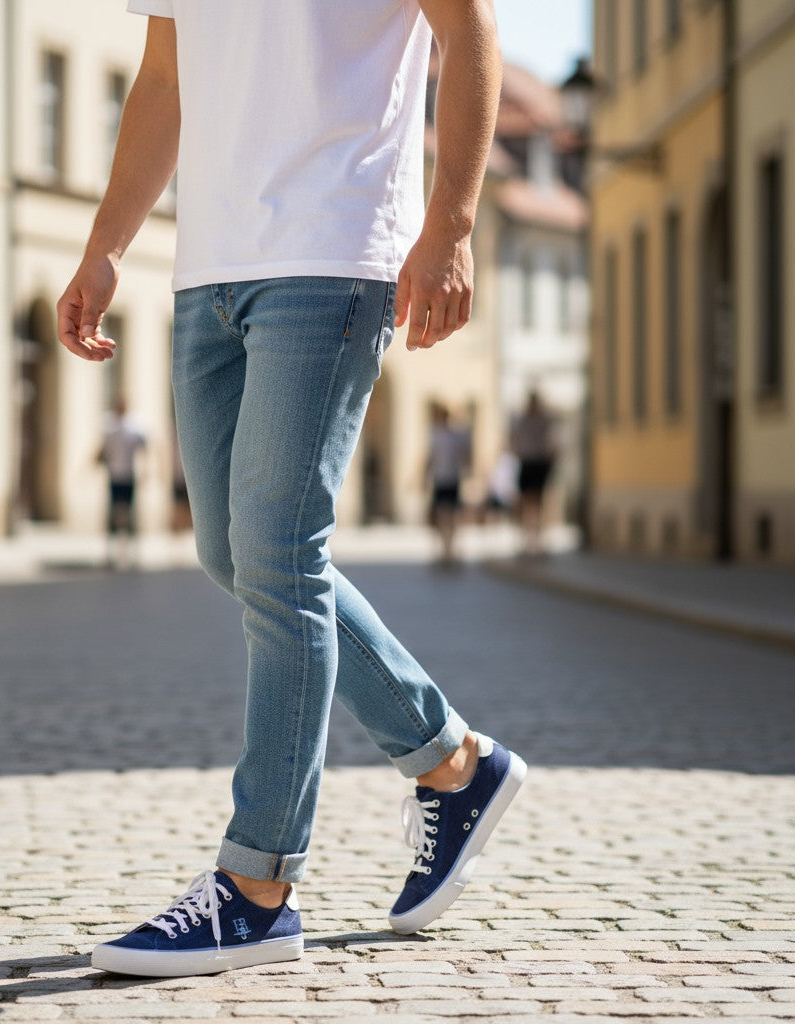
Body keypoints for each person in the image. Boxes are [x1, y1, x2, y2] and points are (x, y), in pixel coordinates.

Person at [57, 0, 526, 978]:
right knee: (233, 552)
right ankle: (453, 764)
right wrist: (107, 241)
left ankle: (257, 885)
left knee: (277, 546)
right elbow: (163, 77)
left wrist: (450, 222)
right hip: (210, 265)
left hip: (333, 246)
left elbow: (469, 28)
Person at [96, 398, 147, 568]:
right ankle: (112, 552)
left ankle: (129, 553)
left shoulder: (133, 427)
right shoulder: (109, 426)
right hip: (115, 475)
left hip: (127, 475)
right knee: (114, 513)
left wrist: (145, 470)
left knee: (128, 514)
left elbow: (143, 447)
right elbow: (102, 449)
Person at [510, 389, 557, 556]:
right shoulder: (531, 419)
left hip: (534, 461)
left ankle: (534, 539)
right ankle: (531, 539)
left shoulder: (538, 419)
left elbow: (514, 440)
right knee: (532, 503)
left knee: (535, 503)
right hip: (532, 461)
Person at [425, 403, 472, 566]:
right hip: (445, 478)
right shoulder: (443, 435)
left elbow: (431, 457)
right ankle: (446, 550)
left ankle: (449, 550)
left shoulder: (450, 435)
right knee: (445, 516)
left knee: (449, 516)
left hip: (449, 478)